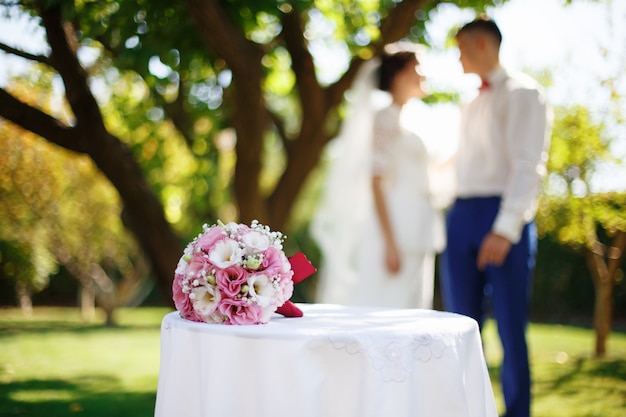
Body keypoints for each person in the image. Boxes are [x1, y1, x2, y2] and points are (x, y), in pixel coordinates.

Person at [440, 17, 551, 417]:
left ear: (482, 44)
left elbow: (527, 166)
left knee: (509, 327)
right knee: (460, 327)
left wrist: (506, 228)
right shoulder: (470, 102)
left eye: (461, 48)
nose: (457, 57)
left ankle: (517, 411)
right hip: (462, 214)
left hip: (502, 214)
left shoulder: (525, 93)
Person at [312, 47, 447, 309]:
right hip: (395, 225)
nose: (423, 74)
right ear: (398, 75)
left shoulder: (413, 119)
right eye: (417, 67)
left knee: (414, 305)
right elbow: (376, 181)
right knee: (387, 305)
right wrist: (390, 242)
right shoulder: (384, 118)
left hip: (419, 224)